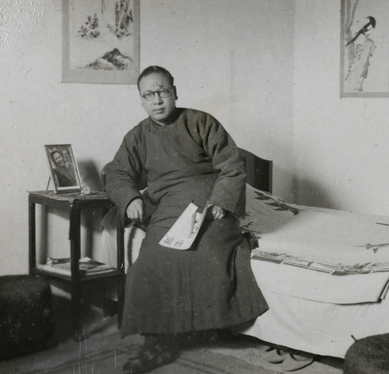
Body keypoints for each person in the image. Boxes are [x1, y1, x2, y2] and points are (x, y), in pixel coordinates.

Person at [103, 66, 268, 373]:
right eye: (149, 95)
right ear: (141, 100)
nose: (157, 100)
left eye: (163, 91)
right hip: (167, 206)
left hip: (210, 203)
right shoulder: (138, 135)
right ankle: (156, 343)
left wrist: (221, 200)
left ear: (175, 92)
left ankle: (200, 326)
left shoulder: (200, 122)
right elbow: (116, 173)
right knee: (151, 261)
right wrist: (131, 197)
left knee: (208, 252)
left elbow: (232, 165)